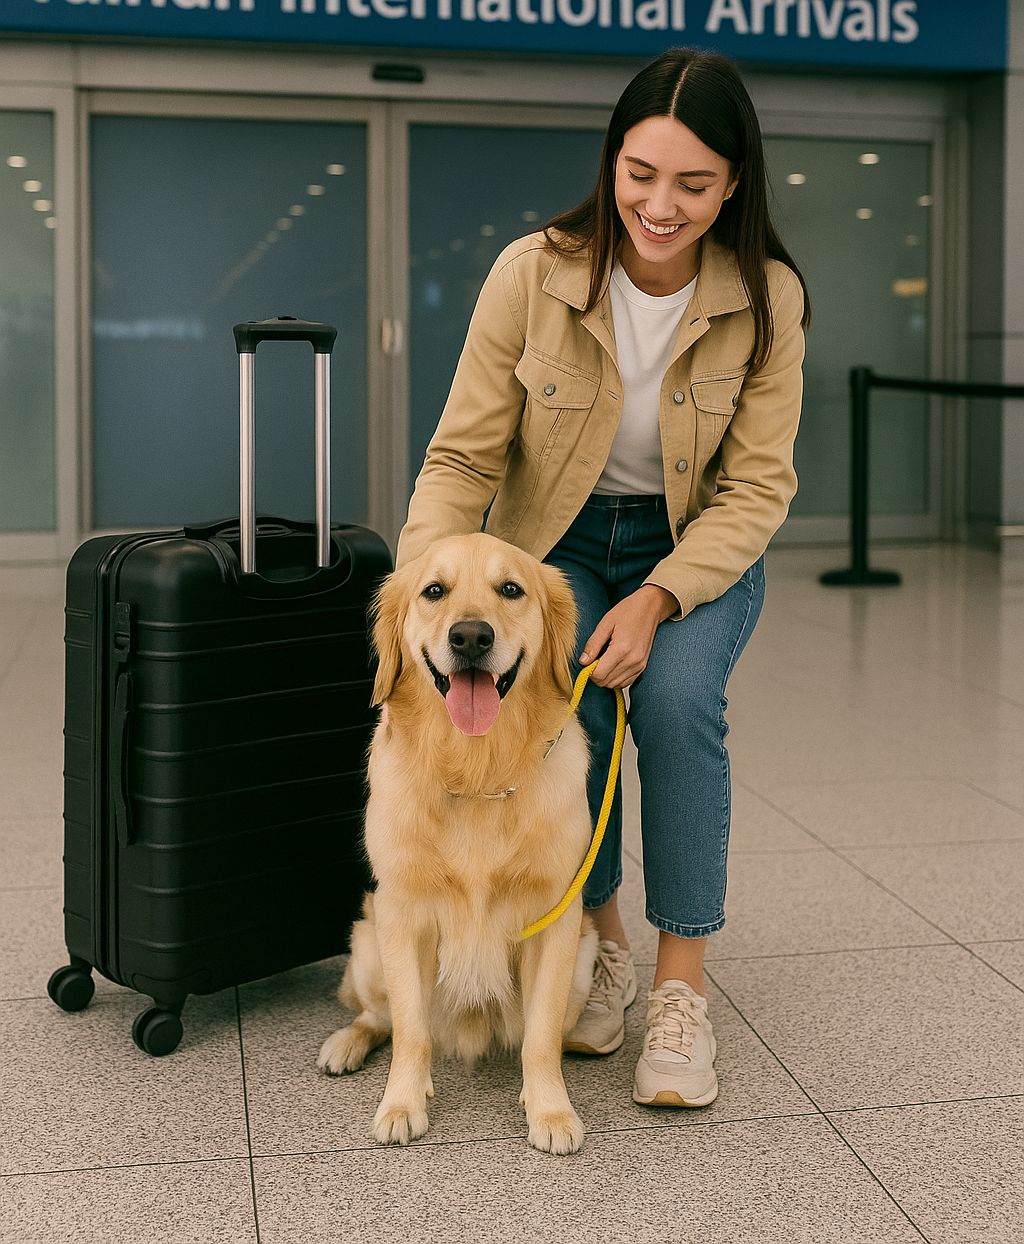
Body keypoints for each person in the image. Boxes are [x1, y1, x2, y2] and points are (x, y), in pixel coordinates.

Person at [395, 46, 809, 1109]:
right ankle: (600, 938)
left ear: (734, 185)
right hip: (555, 541)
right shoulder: (531, 272)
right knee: (558, 717)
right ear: (610, 162)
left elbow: (757, 490)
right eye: (640, 173)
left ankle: (680, 987)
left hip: (694, 551)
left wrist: (662, 593)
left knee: (669, 701)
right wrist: (421, 597)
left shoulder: (766, 297)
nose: (659, 205)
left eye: (692, 183)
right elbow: (462, 459)